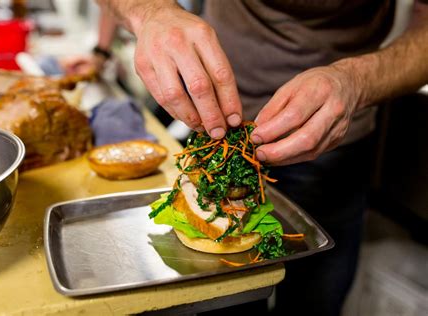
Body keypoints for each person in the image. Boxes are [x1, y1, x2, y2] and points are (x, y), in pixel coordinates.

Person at [87, 1, 428, 315]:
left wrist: (356, 82)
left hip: (335, 140)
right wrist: (150, 12)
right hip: (211, 127)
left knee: (315, 300)